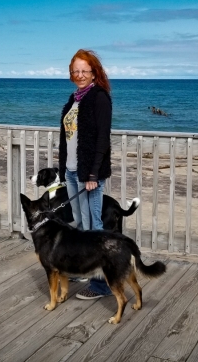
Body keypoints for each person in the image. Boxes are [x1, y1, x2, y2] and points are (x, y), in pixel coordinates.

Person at [58, 49, 114, 300]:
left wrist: (93, 175)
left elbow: (102, 138)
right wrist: (64, 169)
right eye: (75, 71)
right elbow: (68, 138)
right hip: (72, 172)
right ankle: (84, 269)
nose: (80, 75)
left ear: (94, 73)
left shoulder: (99, 97)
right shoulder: (74, 99)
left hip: (89, 175)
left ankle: (102, 285)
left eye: (85, 70)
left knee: (94, 227)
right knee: (80, 224)